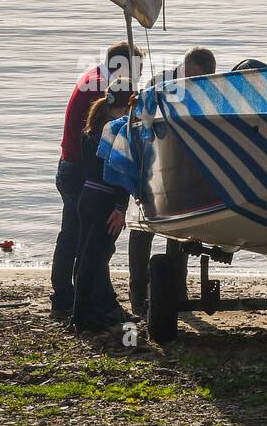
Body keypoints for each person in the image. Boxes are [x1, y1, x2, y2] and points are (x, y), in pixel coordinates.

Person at [50, 41, 141, 319]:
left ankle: (68, 297)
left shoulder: (97, 76)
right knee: (93, 243)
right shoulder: (102, 88)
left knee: (74, 236)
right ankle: (95, 302)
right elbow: (113, 148)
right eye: (136, 70)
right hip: (84, 174)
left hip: (74, 167)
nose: (136, 76)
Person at [126, 47, 217, 314]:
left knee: (180, 229)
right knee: (142, 230)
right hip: (152, 166)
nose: (191, 82)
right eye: (190, 76)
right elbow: (141, 121)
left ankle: (176, 288)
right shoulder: (161, 83)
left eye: (198, 79)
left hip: (183, 169)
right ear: (185, 67)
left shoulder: (203, 88)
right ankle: (138, 292)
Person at [72, 83, 137, 332]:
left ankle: (83, 313)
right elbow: (119, 173)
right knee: (96, 260)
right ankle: (82, 317)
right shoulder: (117, 133)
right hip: (105, 203)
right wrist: (120, 208)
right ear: (122, 107)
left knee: (86, 256)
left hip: (86, 197)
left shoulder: (90, 130)